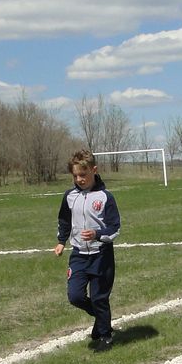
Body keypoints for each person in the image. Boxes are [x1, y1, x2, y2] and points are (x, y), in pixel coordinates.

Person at [53, 149, 120, 351]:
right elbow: (64, 220)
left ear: (94, 170)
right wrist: (61, 241)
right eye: (75, 176)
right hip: (79, 255)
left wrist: (97, 234)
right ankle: (102, 320)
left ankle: (105, 337)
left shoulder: (105, 197)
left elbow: (115, 228)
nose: (79, 179)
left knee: (100, 298)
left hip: (102, 255)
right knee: (75, 296)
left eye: (83, 175)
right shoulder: (69, 196)